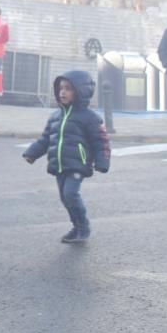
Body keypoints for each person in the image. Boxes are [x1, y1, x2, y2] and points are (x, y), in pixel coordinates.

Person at [23, 71, 111, 243]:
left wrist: (102, 162)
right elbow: (45, 139)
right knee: (65, 197)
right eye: (61, 88)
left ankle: (83, 227)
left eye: (68, 89)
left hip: (78, 164)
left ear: (81, 91)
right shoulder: (55, 116)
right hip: (59, 165)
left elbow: (101, 142)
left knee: (70, 194)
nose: (63, 92)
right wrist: (32, 153)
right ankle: (76, 226)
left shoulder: (90, 118)